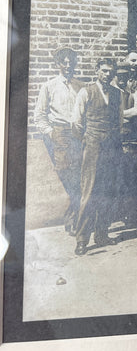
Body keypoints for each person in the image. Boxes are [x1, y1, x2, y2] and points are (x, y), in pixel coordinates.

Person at [71, 57, 122, 255]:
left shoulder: (117, 93)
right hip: (92, 146)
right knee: (89, 192)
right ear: (97, 71)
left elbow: (118, 120)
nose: (107, 74)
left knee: (108, 191)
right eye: (104, 70)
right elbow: (75, 122)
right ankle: (82, 239)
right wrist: (86, 139)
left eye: (110, 71)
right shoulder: (86, 91)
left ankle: (101, 234)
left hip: (111, 146)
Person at [34, 47, 84, 236]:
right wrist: (50, 132)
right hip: (60, 134)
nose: (68, 65)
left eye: (71, 61)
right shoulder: (49, 86)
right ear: (58, 64)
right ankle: (73, 215)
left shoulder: (81, 86)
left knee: (79, 175)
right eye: (64, 61)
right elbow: (39, 115)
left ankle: (74, 220)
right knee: (66, 174)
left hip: (78, 134)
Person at [113, 62, 137, 227]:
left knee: (133, 178)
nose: (122, 79)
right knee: (118, 178)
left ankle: (132, 215)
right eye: (119, 76)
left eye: (125, 76)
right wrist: (125, 115)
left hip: (133, 141)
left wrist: (118, 115)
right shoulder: (111, 93)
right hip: (115, 141)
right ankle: (119, 214)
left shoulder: (135, 93)